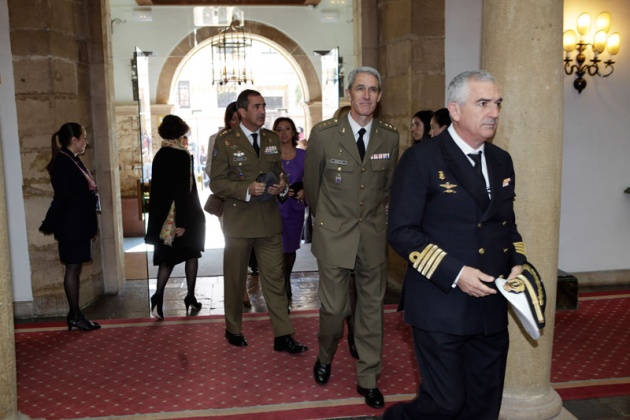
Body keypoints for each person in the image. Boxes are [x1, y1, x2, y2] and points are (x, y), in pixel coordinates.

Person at [384, 70, 528, 419]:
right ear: (455, 110)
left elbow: (505, 225)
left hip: (491, 303)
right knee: (445, 403)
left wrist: (518, 262)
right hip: (441, 302)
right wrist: (456, 272)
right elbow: (401, 231)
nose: (493, 112)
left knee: (484, 403)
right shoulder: (423, 159)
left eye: (497, 103)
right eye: (483, 103)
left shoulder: (500, 160)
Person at [303, 66, 399, 409]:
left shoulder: (390, 136)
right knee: (334, 309)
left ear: (379, 95)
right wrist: (327, 220)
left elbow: (385, 188)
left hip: (372, 236)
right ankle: (325, 355)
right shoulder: (325, 134)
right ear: (349, 93)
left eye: (373, 89)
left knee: (371, 310)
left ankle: (368, 377)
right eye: (360, 88)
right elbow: (312, 188)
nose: (367, 95)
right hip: (334, 236)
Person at [210, 89, 308, 354]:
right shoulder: (225, 141)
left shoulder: (271, 138)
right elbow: (216, 182)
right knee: (235, 278)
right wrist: (245, 189)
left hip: (268, 221)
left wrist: (280, 183)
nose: (262, 111)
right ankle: (233, 328)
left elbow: (278, 171)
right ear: (242, 112)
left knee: (274, 279)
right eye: (256, 106)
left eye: (264, 106)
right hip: (239, 222)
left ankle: (283, 335)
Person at [39, 122, 101, 332]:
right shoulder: (63, 162)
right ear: (73, 140)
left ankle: (75, 314)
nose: (86, 141)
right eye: (83, 137)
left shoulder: (72, 159)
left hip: (78, 224)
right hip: (71, 226)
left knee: (75, 268)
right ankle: (75, 315)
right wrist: (49, 223)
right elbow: (62, 198)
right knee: (72, 268)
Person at [144, 115, 205, 319]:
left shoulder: (160, 154)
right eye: (183, 134)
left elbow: (160, 191)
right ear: (178, 134)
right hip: (184, 214)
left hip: (164, 218)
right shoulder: (181, 155)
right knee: (191, 254)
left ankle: (160, 296)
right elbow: (181, 191)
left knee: (170, 258)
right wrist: (183, 222)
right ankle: (188, 296)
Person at [206, 102, 252, 307]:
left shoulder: (254, 138)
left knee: (251, 247)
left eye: (239, 119)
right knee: (234, 246)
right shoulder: (217, 139)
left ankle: (244, 283)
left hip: (253, 202)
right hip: (228, 202)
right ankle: (240, 290)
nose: (236, 123)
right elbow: (210, 169)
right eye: (232, 119)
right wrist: (234, 185)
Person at [273, 117, 307, 300]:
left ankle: (286, 279)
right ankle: (279, 284)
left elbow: (311, 178)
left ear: (294, 132)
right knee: (276, 248)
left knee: (290, 248)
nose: (284, 133)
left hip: (295, 208)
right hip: (274, 208)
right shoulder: (270, 156)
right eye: (279, 129)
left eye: (287, 128)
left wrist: (304, 190)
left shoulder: (303, 155)